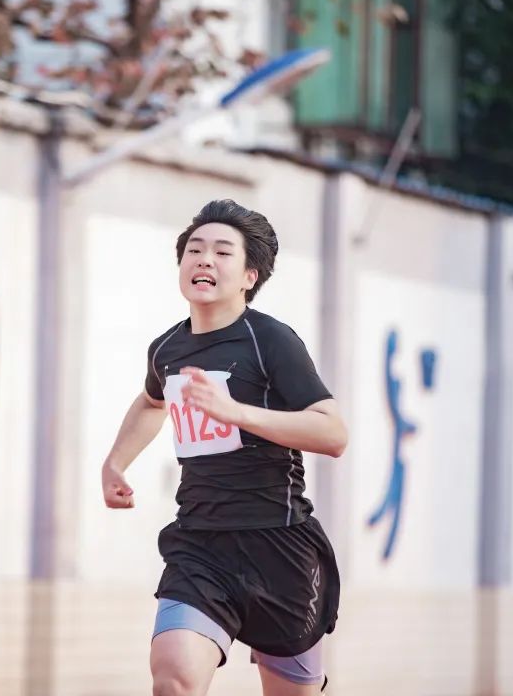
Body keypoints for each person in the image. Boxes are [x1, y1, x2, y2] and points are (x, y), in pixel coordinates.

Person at [101, 199, 348, 696]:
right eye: (194, 249)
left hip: (280, 547)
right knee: (173, 678)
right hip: (200, 545)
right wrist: (115, 462)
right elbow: (152, 403)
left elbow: (332, 433)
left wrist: (237, 412)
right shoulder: (167, 349)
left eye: (221, 252)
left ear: (249, 276)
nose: (204, 260)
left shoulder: (272, 341)